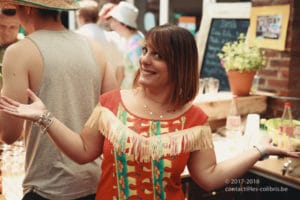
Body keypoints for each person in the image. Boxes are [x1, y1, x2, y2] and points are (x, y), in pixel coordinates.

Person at [1, 24, 299, 200]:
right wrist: (44, 116)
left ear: (179, 66)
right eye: (145, 50)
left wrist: (259, 150)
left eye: (157, 55)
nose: (145, 60)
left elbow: (208, 177)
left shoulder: (195, 121)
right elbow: (81, 151)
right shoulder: (111, 103)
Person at [0, 0, 118, 199]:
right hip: (95, 182)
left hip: (47, 187)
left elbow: (9, 133)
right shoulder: (95, 49)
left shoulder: (19, 53)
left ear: (27, 8)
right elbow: (114, 115)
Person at [76, 0, 123, 87]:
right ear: (98, 18)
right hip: (109, 94)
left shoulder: (75, 38)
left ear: (80, 17)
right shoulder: (114, 38)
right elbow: (120, 70)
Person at [107, 1, 144, 89]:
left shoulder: (136, 44)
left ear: (123, 23)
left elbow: (139, 73)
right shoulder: (131, 39)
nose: (112, 25)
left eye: (114, 21)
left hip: (133, 92)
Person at [0, 6, 22, 88]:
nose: (6, 32)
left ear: (20, 27)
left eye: (12, 27)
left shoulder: (26, 50)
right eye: (2, 26)